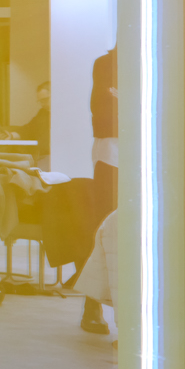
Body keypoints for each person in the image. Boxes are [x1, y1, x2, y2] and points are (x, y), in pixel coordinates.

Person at [83, 48, 119, 332]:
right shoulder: (106, 63)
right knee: (105, 228)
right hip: (112, 156)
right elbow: (102, 113)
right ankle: (92, 304)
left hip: (146, 153)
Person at [10, 80, 51, 169]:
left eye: (44, 100)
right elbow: (29, 128)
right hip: (42, 157)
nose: (42, 104)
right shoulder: (43, 113)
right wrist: (11, 136)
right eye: (40, 101)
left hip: (54, 157)